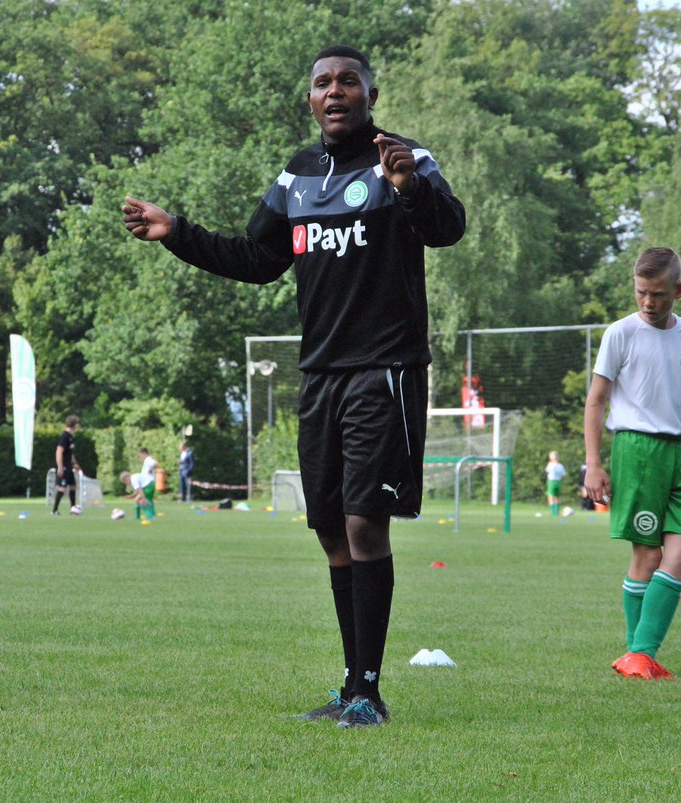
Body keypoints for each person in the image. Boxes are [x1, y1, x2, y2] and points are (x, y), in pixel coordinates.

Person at [121, 44, 465, 727]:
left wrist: (411, 188)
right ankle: (350, 684)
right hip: (321, 375)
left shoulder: (403, 158)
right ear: (309, 100)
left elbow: (447, 228)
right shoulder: (297, 175)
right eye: (321, 83)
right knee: (332, 530)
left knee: (367, 522)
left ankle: (369, 690)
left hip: (385, 370)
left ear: (369, 92)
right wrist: (175, 233)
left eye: (347, 81)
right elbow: (257, 259)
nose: (334, 91)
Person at [584, 247, 681, 681]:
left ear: (679, 291)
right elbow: (596, 400)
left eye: (659, 295)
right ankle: (641, 655)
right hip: (636, 450)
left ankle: (639, 655)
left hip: (675, 454)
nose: (649, 303)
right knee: (648, 554)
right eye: (641, 293)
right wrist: (593, 464)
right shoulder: (621, 334)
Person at [53, 415, 82, 516]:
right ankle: (54, 510)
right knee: (62, 488)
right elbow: (59, 451)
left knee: (73, 487)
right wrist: (60, 466)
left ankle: (73, 509)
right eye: (77, 424)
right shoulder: (64, 436)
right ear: (74, 425)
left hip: (69, 466)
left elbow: (70, 453)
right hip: (64, 466)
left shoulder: (70, 437)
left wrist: (74, 463)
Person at [545, 451, 567, 517]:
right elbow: (563, 475)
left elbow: (547, 472)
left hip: (552, 481)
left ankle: (554, 512)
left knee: (552, 496)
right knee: (554, 497)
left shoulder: (551, 465)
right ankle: (555, 512)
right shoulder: (559, 465)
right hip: (556, 481)